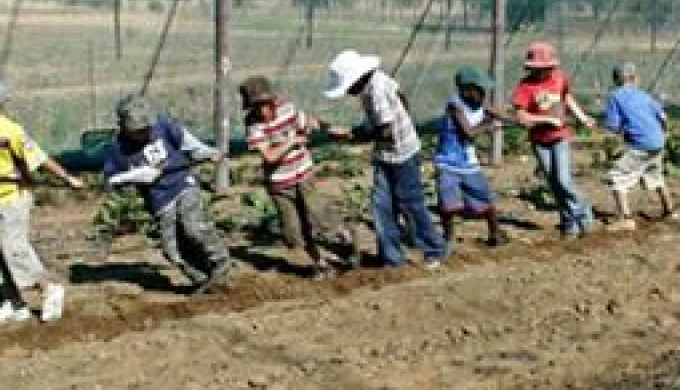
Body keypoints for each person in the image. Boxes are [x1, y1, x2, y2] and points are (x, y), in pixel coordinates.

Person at [0, 75, 83, 323]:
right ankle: (14, 304)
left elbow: (39, 158)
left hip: (12, 199)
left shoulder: (11, 131)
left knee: (16, 251)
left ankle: (49, 290)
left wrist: (67, 178)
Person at [322, 50, 447, 269]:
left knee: (411, 204)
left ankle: (433, 248)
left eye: (348, 87)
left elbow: (385, 131)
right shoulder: (378, 81)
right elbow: (401, 99)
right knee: (382, 206)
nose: (348, 92)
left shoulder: (376, 91)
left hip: (402, 155)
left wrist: (352, 135)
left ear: (356, 79)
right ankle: (391, 258)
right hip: (388, 154)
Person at [103, 94, 232, 292]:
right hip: (159, 200)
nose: (145, 133)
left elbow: (191, 146)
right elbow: (112, 179)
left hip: (182, 185)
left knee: (193, 227)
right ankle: (204, 278)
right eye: (139, 131)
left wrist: (208, 153)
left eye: (147, 128)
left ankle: (220, 263)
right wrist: (137, 176)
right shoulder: (117, 149)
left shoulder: (164, 126)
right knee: (172, 251)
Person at [240, 76, 358, 273]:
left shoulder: (288, 109)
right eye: (256, 107)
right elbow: (269, 156)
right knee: (294, 232)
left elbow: (311, 122)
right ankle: (319, 263)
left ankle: (346, 241)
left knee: (318, 216)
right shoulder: (252, 123)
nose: (262, 111)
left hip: (303, 174)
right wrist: (292, 142)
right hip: (279, 183)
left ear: (272, 100)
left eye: (265, 105)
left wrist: (333, 130)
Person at [510, 41, 596, 237]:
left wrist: (582, 117)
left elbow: (567, 98)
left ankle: (583, 211)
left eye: (548, 68)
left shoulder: (559, 78)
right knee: (554, 184)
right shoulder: (525, 87)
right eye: (540, 69)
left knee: (564, 180)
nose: (545, 72)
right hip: (540, 140)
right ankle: (569, 223)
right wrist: (548, 119)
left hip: (560, 137)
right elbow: (522, 117)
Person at [434, 66, 519, 247]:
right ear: (466, 90)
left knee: (484, 198)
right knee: (448, 203)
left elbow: (500, 115)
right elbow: (469, 133)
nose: (483, 93)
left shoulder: (481, 103)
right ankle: (448, 237)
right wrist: (488, 125)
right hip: (448, 162)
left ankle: (495, 233)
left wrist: (521, 120)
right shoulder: (455, 106)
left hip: (469, 163)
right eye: (479, 90)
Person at [601, 63, 678, 231]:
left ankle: (626, 218)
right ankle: (670, 211)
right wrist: (662, 136)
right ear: (635, 78)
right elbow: (663, 118)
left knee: (617, 176)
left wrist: (610, 147)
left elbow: (613, 127)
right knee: (655, 174)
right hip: (658, 141)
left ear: (616, 80)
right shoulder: (645, 96)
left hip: (640, 144)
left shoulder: (615, 96)